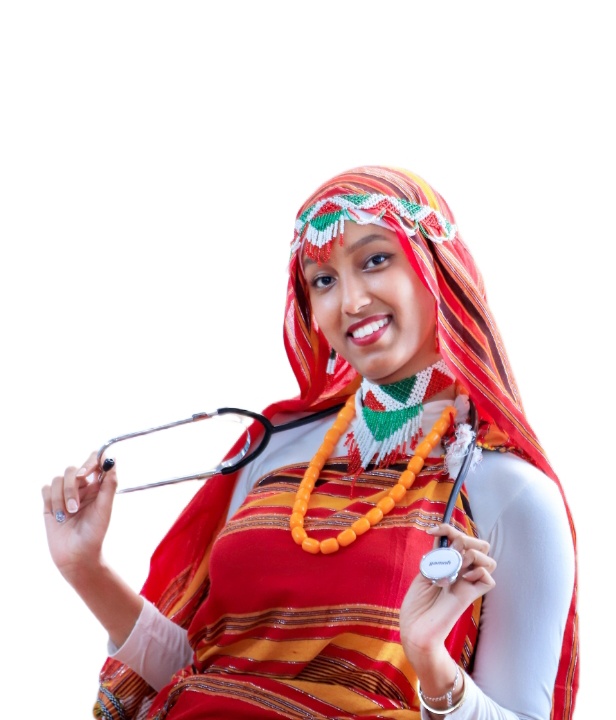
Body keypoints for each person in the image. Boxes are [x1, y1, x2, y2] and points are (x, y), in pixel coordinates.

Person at [42, 166, 579, 720]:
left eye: (375, 259)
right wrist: (85, 569)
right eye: (323, 280)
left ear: (437, 266)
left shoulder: (511, 493)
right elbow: (205, 671)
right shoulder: (272, 452)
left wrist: (430, 662)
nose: (351, 301)